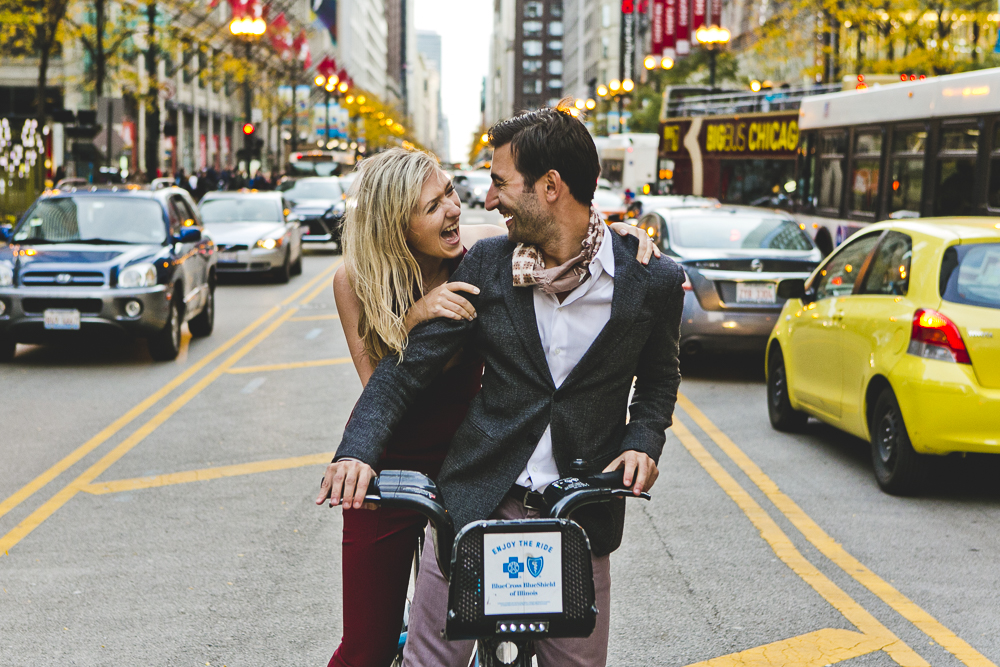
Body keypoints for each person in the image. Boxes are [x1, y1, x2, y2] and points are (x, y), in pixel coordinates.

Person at [318, 105, 685, 666]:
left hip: (580, 506)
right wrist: (356, 451)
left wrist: (643, 441)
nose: (484, 201)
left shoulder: (650, 278)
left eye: (498, 183)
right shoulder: (490, 262)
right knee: (425, 659)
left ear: (551, 187)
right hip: (478, 492)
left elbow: (659, 378)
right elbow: (402, 373)